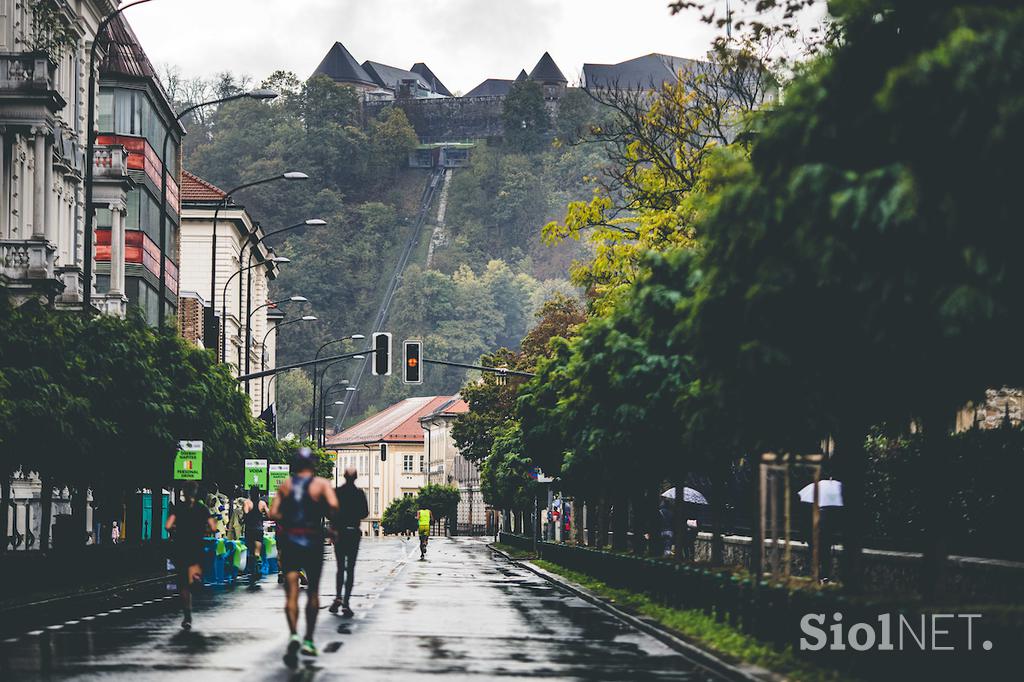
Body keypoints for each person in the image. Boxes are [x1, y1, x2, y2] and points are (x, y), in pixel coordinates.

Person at [269, 447, 339, 665]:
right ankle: (308, 638)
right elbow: (334, 507)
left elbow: (273, 513)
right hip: (313, 539)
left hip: (291, 540)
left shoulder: (287, 485)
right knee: (313, 592)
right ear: (313, 465)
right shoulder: (321, 485)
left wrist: (288, 517)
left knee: (291, 592)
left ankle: (293, 635)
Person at [166, 483, 216, 630]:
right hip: (196, 547)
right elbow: (213, 527)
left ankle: (187, 615)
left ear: (183, 493)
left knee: (183, 583)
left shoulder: (178, 508)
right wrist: (205, 528)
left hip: (181, 548)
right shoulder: (202, 509)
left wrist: (177, 528)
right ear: (195, 493)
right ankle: (196, 581)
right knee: (193, 578)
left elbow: (168, 526)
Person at [329, 466, 368, 617]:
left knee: (340, 567)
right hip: (353, 532)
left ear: (344, 476)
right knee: (350, 568)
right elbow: (365, 513)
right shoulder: (359, 494)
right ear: (356, 478)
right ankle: (346, 602)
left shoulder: (336, 492)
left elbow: (330, 511)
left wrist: (334, 526)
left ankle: (338, 596)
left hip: (339, 532)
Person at [243, 485, 269, 582]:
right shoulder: (262, 503)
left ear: (250, 493)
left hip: (249, 529)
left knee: (250, 550)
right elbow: (269, 514)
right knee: (257, 552)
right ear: (258, 493)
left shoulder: (247, 502)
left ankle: (252, 570)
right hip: (258, 529)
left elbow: (245, 513)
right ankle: (258, 566)